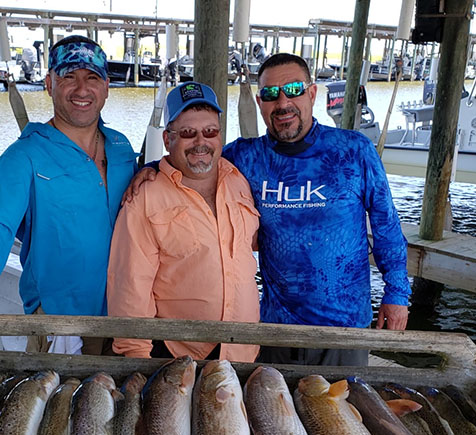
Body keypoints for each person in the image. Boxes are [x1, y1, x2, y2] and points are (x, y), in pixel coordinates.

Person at [127, 53, 410, 366]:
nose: (283, 103)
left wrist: (396, 294)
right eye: (271, 94)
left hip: (344, 329)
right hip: (274, 329)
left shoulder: (355, 151)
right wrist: (154, 167)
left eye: (294, 89)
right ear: (260, 102)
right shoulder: (245, 157)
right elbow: (197, 156)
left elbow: (386, 227)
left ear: (312, 93)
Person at [0, 36, 137, 354]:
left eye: (92, 77)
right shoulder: (24, 156)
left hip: (127, 318)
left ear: (107, 86)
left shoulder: (122, 147)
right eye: (69, 76)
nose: (81, 89)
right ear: (49, 83)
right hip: (62, 326)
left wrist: (155, 171)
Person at [107, 82, 260, 362]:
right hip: (178, 356)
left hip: (243, 350)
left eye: (210, 132)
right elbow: (130, 284)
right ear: (167, 140)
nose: (201, 142)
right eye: (188, 133)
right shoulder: (145, 196)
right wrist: (136, 357)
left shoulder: (239, 180)